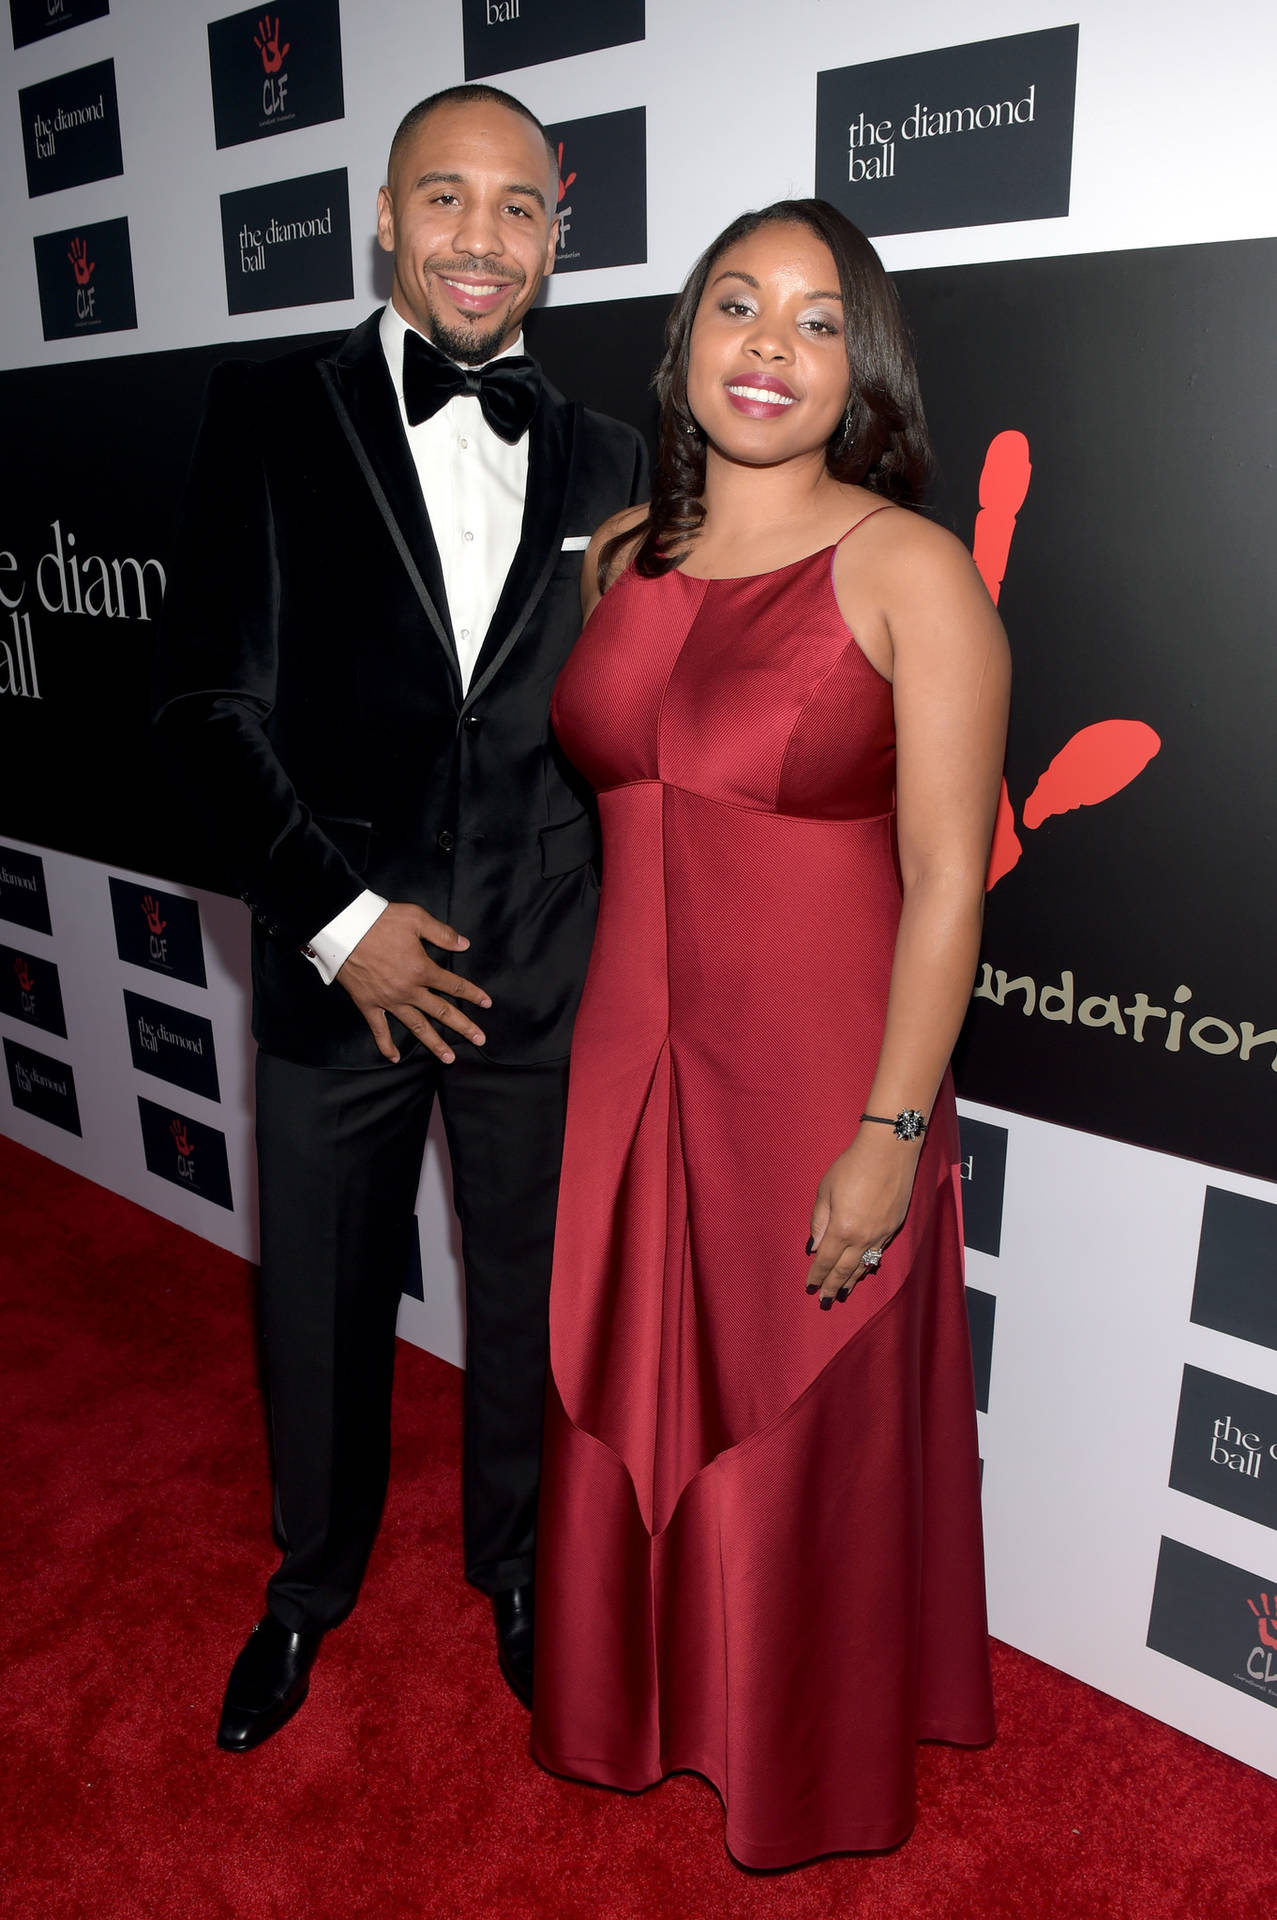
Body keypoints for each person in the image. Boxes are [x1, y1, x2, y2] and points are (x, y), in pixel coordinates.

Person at [153, 84, 646, 1751]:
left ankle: (517, 1571)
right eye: (446, 200)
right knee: (318, 1297)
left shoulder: (615, 460)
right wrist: (342, 920)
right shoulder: (268, 410)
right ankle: (307, 1589)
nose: (480, 241)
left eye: (517, 208)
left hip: (539, 970)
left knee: (530, 1301)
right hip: (337, 962)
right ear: (383, 214)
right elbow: (208, 710)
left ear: (558, 228)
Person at [531, 199, 1006, 1867]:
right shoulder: (616, 559)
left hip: (817, 1071)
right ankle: (646, 1701)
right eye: (738, 306)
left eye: (815, 322)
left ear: (856, 371)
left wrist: (889, 1134)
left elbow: (948, 876)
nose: (769, 345)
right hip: (627, 1062)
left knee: (790, 1404)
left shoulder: (905, 567)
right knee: (621, 1371)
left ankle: (793, 1744)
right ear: (683, 348)